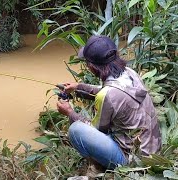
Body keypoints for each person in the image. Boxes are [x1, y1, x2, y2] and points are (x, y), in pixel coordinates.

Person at [56, 35, 161, 176]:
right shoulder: (130, 73)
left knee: (76, 130)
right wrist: (78, 87)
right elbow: (112, 94)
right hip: (152, 151)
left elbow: (98, 129)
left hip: (136, 163)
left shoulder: (108, 95)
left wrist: (70, 113)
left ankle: (101, 167)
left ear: (92, 67)